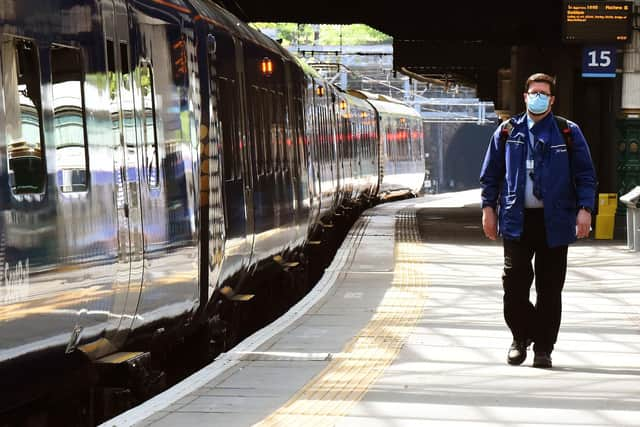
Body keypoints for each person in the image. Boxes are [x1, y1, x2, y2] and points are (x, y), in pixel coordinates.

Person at [479, 73, 597, 369]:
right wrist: (488, 209)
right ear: (525, 96)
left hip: (555, 221)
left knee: (550, 288)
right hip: (517, 220)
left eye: (543, 93)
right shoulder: (507, 132)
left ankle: (543, 348)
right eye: (533, 92)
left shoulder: (568, 132)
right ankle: (521, 337)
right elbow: (491, 175)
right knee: (514, 285)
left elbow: (585, 175)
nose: (538, 97)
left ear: (552, 99)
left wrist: (585, 209)